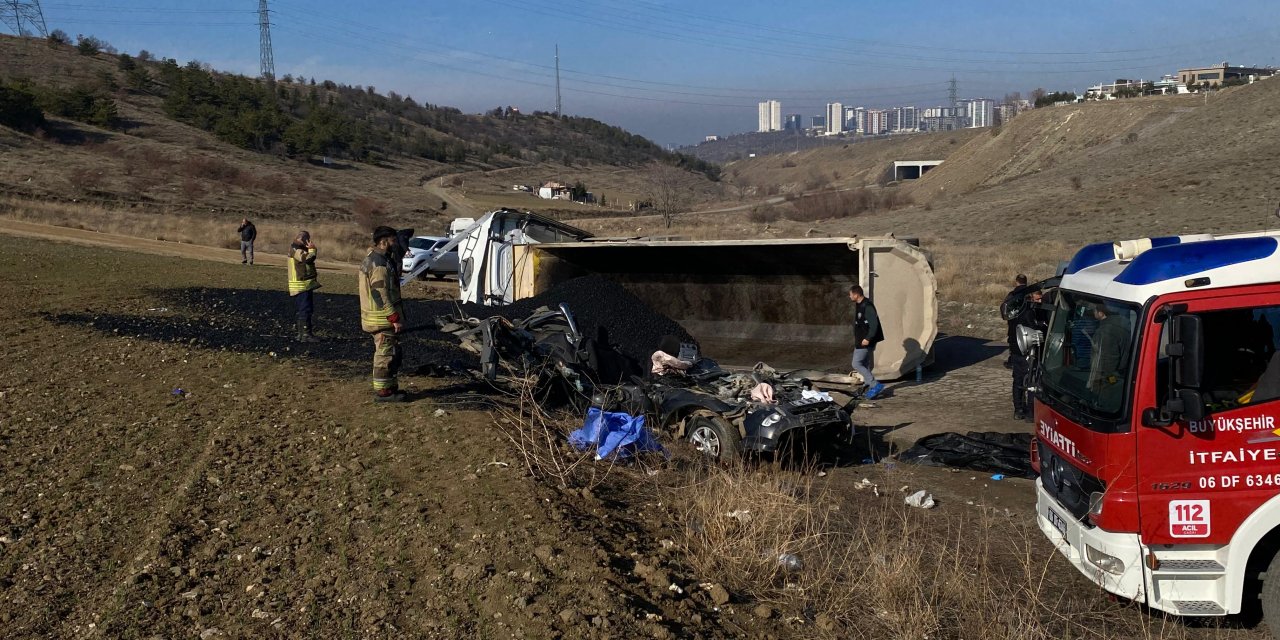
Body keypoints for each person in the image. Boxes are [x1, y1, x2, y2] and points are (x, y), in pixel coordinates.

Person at [359, 226, 407, 403]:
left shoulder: (377, 259)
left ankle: (390, 386)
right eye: (393, 241)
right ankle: (383, 392)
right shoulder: (379, 264)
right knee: (384, 355)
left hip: (378, 317)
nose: (395, 244)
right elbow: (379, 293)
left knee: (391, 352)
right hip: (381, 318)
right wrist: (394, 317)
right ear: (384, 241)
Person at [1011, 289, 1045, 421]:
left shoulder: (1015, 312)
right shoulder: (1029, 313)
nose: (1039, 302)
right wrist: (1041, 326)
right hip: (1026, 351)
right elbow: (1034, 329)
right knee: (1030, 381)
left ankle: (1018, 408)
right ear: (1030, 298)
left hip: (1016, 350)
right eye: (1037, 299)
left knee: (1018, 380)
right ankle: (1030, 412)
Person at [849, 285, 885, 399]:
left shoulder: (867, 306)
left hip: (865, 341)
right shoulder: (859, 305)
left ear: (856, 294)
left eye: (850, 294)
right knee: (865, 364)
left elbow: (874, 325)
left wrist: (868, 338)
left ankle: (874, 384)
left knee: (856, 363)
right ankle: (869, 386)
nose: (849, 296)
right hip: (861, 340)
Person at [287, 230, 320, 343]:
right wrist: (313, 249)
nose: (309, 242)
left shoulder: (296, 248)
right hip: (301, 285)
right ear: (303, 239)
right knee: (305, 309)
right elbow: (308, 259)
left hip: (302, 284)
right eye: (307, 239)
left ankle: (301, 334)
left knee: (304, 309)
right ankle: (305, 334)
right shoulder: (296, 249)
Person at [1005, 274, 1028, 368]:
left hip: (1014, 322)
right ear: (1026, 281)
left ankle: (1013, 361)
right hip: (1027, 321)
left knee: (1014, 342)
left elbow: (1006, 308)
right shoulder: (1030, 293)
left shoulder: (1012, 294)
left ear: (1016, 281)